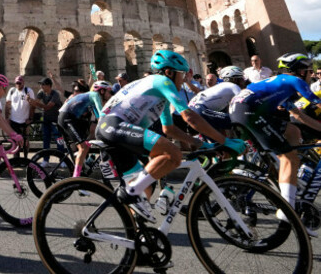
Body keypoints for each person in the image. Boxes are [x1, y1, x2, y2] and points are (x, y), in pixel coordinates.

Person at [96, 50, 244, 223]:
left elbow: (169, 129)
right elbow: (189, 117)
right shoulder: (163, 81)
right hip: (112, 126)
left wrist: (201, 144)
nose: (184, 79)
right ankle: (130, 192)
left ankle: (137, 237)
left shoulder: (158, 93)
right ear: (169, 72)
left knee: (147, 186)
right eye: (182, 74)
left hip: (116, 130)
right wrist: (224, 140)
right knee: (172, 154)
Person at [230, 53, 321, 232]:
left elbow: (298, 116)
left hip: (245, 109)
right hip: (248, 111)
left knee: (293, 131)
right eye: (309, 71)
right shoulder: (296, 81)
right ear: (301, 71)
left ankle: (287, 173)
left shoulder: (283, 85)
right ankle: (287, 208)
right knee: (290, 158)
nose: (311, 74)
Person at [59, 80, 113, 177]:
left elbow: (99, 118)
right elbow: (102, 113)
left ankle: (80, 161)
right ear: (102, 91)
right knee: (83, 147)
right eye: (109, 92)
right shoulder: (94, 95)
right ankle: (76, 178)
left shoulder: (92, 100)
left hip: (71, 118)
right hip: (66, 118)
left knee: (86, 146)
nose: (110, 95)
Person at [188, 66, 246, 136]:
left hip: (193, 108)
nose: (243, 80)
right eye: (241, 78)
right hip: (199, 108)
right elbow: (243, 101)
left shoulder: (224, 86)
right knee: (237, 121)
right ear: (234, 79)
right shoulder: (233, 86)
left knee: (218, 141)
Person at [27, 77, 64, 167]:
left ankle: (62, 160)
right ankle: (45, 160)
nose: (41, 86)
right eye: (41, 84)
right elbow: (36, 102)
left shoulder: (55, 94)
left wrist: (34, 103)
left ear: (49, 86)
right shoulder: (41, 92)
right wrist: (31, 102)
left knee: (58, 139)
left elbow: (47, 107)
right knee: (46, 139)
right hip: (46, 119)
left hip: (56, 119)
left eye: (43, 84)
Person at [6, 75, 36, 157]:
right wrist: (7, 118)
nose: (18, 85)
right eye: (17, 83)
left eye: (20, 83)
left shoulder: (28, 91)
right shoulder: (12, 91)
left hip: (24, 120)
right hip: (14, 120)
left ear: (23, 83)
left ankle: (25, 158)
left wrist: (30, 118)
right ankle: (16, 159)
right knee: (15, 141)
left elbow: (33, 106)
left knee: (25, 140)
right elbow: (8, 105)